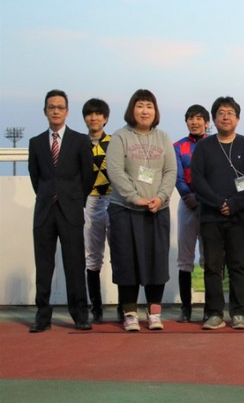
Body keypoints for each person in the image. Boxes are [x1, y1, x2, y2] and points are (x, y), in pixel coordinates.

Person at [106, 89, 177, 331]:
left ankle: (154, 313)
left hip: (157, 209)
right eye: (140, 106)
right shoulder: (120, 137)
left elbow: (170, 171)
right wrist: (135, 198)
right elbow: (115, 171)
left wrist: (161, 197)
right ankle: (130, 314)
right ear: (131, 109)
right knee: (127, 261)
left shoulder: (163, 137)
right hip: (124, 210)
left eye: (149, 106)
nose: (145, 111)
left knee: (157, 261)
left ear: (155, 111)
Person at [28, 90, 94, 332]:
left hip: (71, 211)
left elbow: (87, 177)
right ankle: (42, 317)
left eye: (60, 107)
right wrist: (49, 195)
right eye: (51, 107)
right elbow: (36, 177)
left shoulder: (80, 141)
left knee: (75, 265)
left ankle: (80, 315)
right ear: (45, 111)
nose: (55, 111)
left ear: (67, 111)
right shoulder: (36, 143)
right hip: (44, 211)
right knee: (44, 266)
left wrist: (75, 200)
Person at [191, 96, 244, 330]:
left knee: (237, 265)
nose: (226, 117)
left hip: (238, 216)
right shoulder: (204, 146)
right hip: (210, 215)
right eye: (221, 113)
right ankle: (214, 313)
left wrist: (234, 204)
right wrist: (218, 203)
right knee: (212, 266)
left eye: (230, 113)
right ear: (214, 118)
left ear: (237, 119)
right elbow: (198, 180)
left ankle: (238, 313)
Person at [82, 97, 120, 324]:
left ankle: (123, 306)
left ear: (105, 118)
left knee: (119, 254)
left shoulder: (115, 142)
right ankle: (96, 308)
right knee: (92, 256)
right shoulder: (79, 143)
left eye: (98, 114)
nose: (93, 118)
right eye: (89, 114)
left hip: (114, 200)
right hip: (91, 201)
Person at [173, 104, 209, 323]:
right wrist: (189, 197)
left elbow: (214, 177)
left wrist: (202, 198)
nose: (194, 122)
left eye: (198, 118)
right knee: (185, 259)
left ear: (207, 122)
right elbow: (177, 177)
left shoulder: (213, 144)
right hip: (187, 205)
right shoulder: (177, 146)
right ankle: (186, 308)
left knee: (209, 258)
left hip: (209, 206)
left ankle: (209, 309)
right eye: (190, 118)